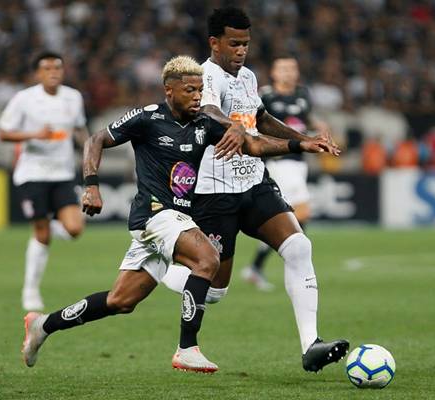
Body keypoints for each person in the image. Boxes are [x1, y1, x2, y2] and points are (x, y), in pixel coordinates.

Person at [21, 55, 331, 373]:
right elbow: (96, 139)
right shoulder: (147, 118)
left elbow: (253, 145)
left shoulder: (204, 125)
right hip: (154, 214)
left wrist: (299, 145)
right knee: (207, 258)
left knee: (120, 300)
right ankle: (187, 348)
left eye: (200, 91)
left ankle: (44, 325)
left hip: (177, 216)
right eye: (189, 91)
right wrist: (91, 185)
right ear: (169, 91)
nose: (197, 97)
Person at [161, 7, 349, 373]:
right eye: (234, 43)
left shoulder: (247, 76)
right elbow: (210, 112)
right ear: (215, 43)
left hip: (254, 182)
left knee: (299, 246)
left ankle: (311, 344)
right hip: (215, 190)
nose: (241, 50)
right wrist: (231, 126)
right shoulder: (205, 76)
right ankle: (161, 269)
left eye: (246, 43)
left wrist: (304, 139)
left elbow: (261, 119)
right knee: (215, 290)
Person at [0, 51, 89, 311]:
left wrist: (90, 149)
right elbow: (4, 133)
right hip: (33, 174)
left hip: (62, 173)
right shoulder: (24, 99)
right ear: (38, 73)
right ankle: (30, 289)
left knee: (74, 229)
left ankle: (50, 224)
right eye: (47, 68)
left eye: (57, 68)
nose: (53, 72)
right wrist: (34, 134)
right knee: (42, 233)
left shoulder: (73, 97)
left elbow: (80, 129)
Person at [242, 56, 334, 291]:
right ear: (273, 72)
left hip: (298, 162)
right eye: (282, 68)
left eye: (292, 68)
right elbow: (256, 123)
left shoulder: (303, 94)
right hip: (279, 162)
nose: (288, 73)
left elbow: (304, 118)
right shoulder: (265, 95)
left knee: (296, 217)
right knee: (299, 215)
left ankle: (260, 265)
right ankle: (290, 263)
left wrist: (319, 127)